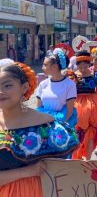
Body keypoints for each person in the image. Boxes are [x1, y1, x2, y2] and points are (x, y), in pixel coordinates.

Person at [0, 59, 78, 196]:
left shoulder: (46, 125)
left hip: (40, 191)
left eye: (7, 86)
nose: (1, 92)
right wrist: (27, 171)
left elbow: (60, 170)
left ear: (24, 87)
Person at [68, 50, 97, 160]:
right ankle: (77, 156)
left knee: (90, 132)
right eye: (80, 66)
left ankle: (88, 158)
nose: (82, 69)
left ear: (88, 65)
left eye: (84, 66)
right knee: (78, 132)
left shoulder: (95, 76)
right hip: (78, 107)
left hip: (92, 108)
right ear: (77, 66)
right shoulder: (72, 77)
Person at [36, 49, 77, 128]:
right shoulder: (43, 84)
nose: (42, 67)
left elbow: (69, 111)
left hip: (62, 126)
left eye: (45, 65)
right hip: (44, 124)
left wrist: (57, 127)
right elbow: (39, 108)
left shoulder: (69, 85)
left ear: (54, 67)